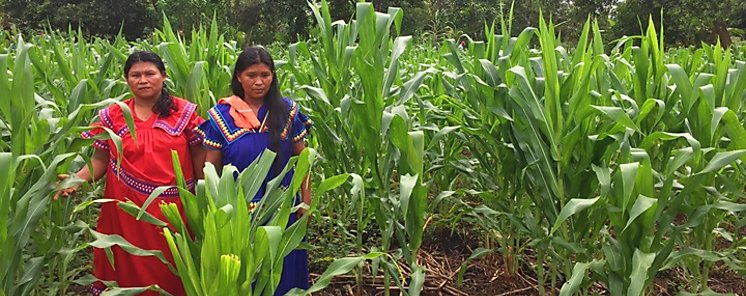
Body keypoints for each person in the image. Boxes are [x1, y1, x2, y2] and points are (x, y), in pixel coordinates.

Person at [57, 51, 206, 296]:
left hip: (173, 213)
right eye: (135, 75)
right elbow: (99, 161)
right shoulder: (113, 116)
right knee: (127, 270)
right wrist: (76, 179)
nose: (143, 80)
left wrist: (204, 195)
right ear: (127, 79)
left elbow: (200, 157)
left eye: (150, 73)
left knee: (171, 269)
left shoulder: (183, 113)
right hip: (124, 214)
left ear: (163, 76)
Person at [195, 46, 312, 295]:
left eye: (265, 75)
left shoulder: (288, 112)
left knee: (283, 269)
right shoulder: (221, 116)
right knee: (246, 276)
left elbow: (304, 160)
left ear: (273, 76)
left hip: (282, 209)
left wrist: (306, 202)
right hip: (238, 212)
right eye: (251, 75)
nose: (259, 82)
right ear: (239, 76)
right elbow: (211, 169)